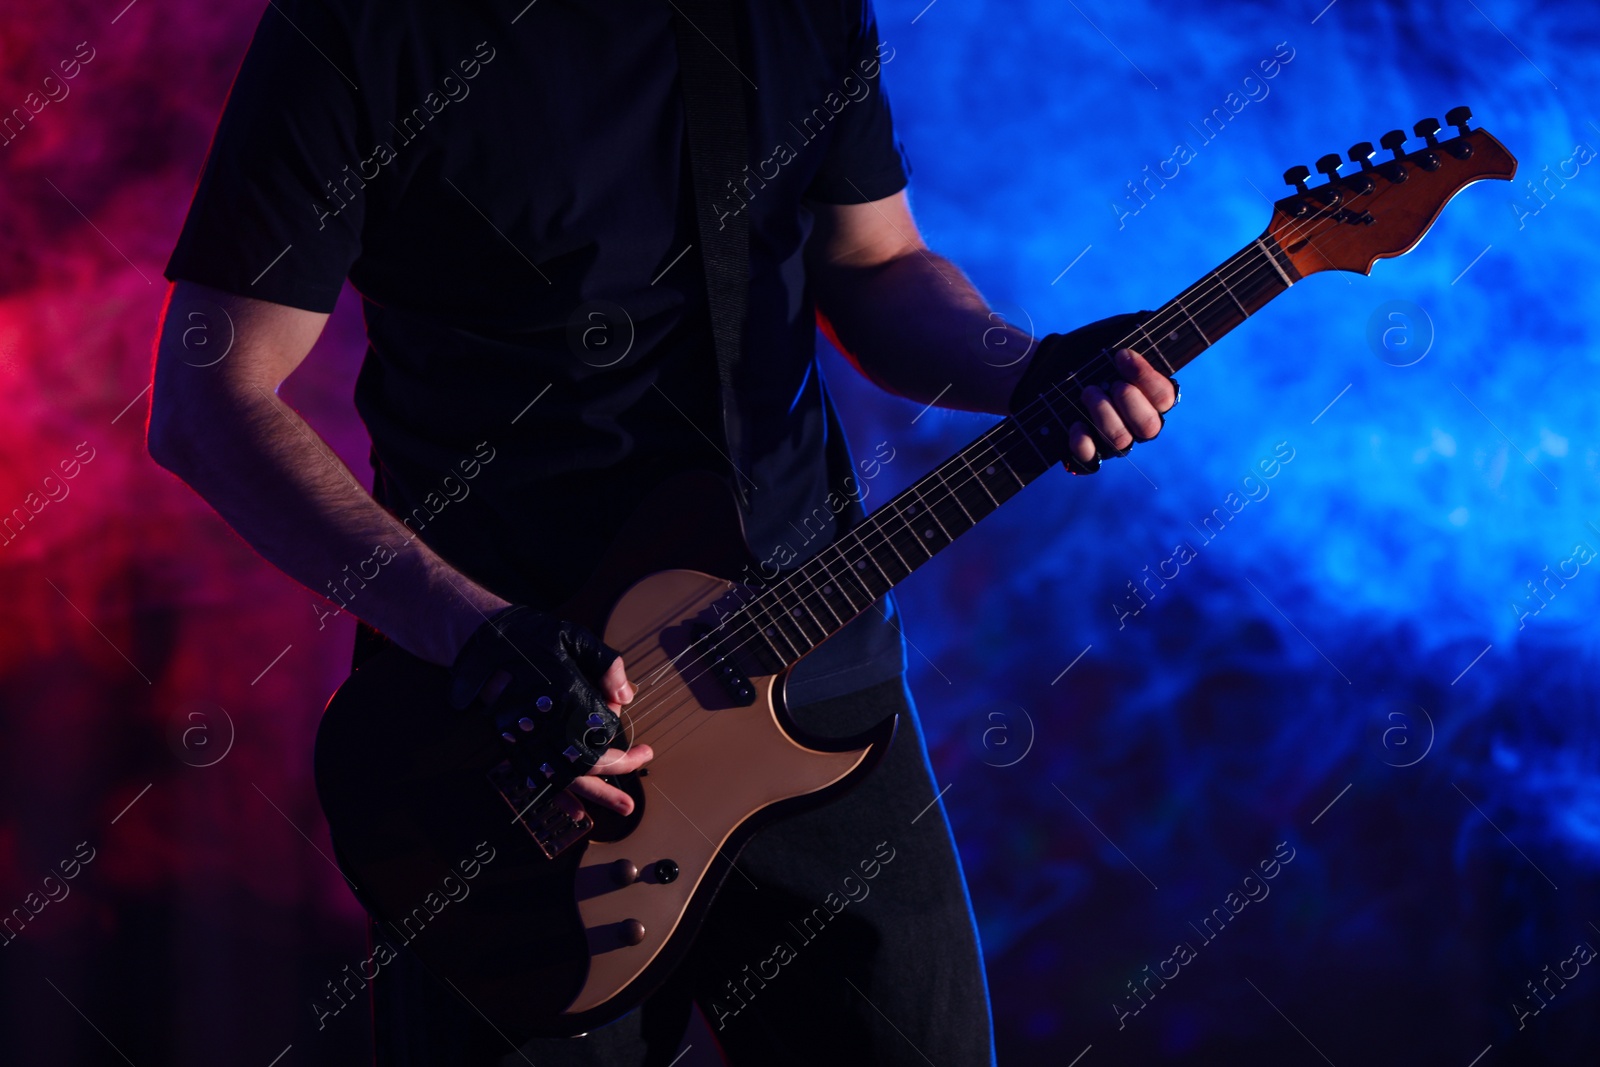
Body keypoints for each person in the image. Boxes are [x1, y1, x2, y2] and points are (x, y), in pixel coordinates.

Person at [147, 1, 1175, 1064]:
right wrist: (474, 632)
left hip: (814, 690)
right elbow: (209, 399)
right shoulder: (364, 28)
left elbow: (871, 262)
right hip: (520, 748)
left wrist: (1025, 365)